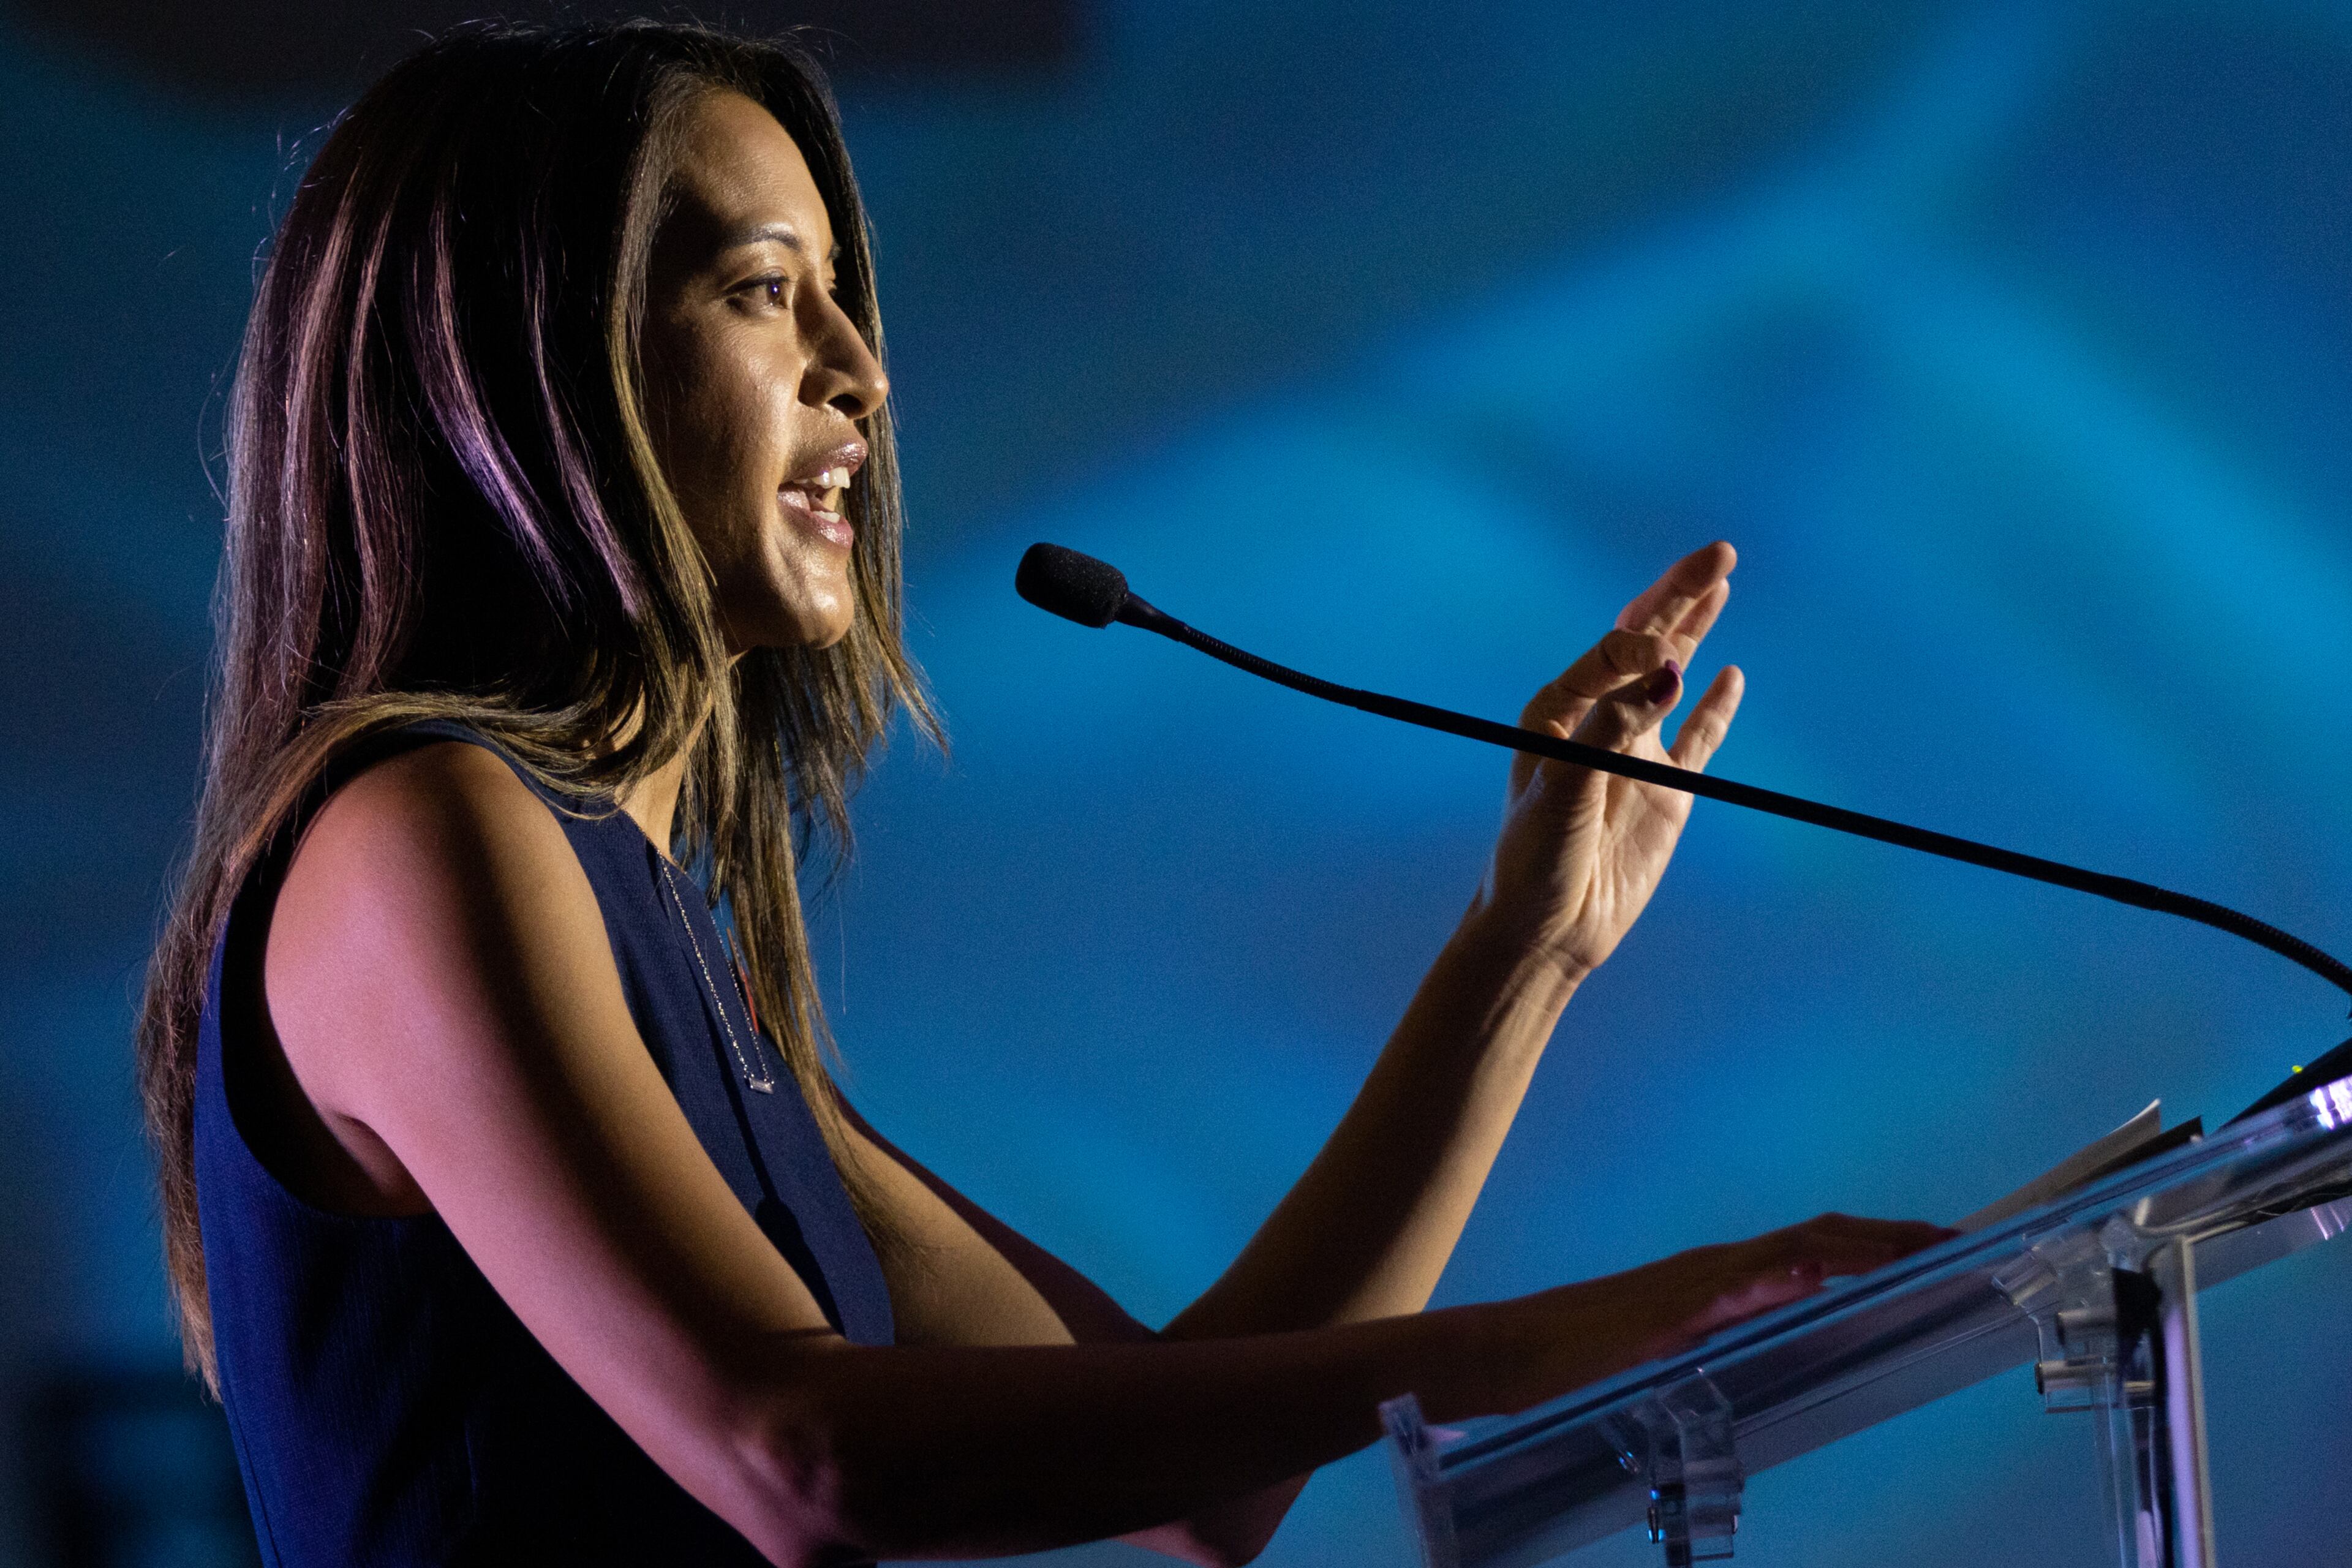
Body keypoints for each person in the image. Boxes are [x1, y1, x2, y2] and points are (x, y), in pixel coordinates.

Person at [137, 21, 1948, 1568]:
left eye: (845, 299)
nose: (863, 373)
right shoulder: (417, 832)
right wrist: (1620, 1324)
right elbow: (805, 1457)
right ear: (525, 367)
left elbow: (1202, 1492)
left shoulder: (649, 929)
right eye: (768, 294)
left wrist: (1525, 950)